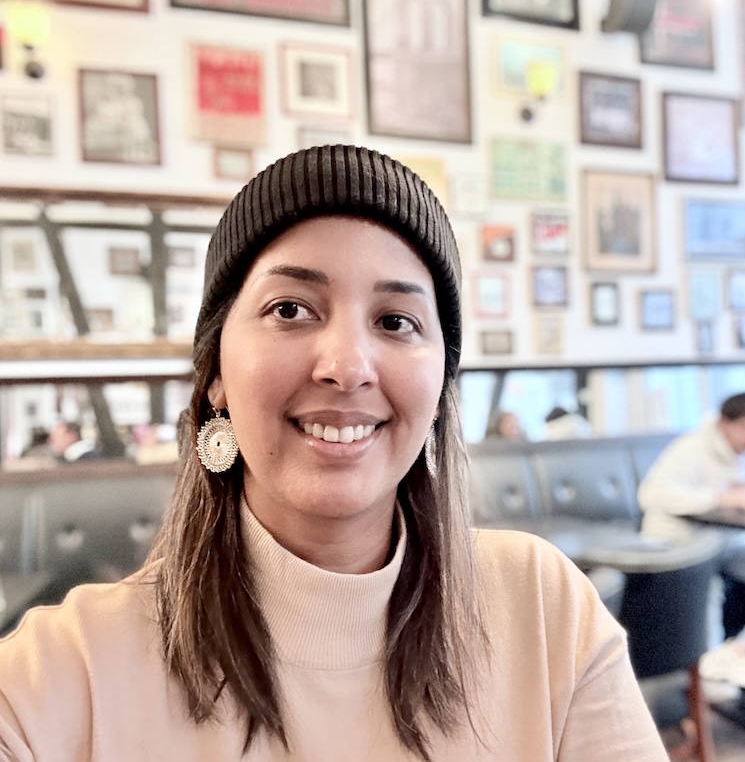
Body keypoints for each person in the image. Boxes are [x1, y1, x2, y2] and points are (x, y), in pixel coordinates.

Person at [0, 146, 669, 760]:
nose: (348, 366)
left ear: (439, 388)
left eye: (396, 321)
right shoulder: (68, 671)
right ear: (216, 375)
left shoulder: (543, 608)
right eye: (291, 309)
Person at [638, 392, 745, 637]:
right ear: (725, 424)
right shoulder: (691, 448)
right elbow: (652, 494)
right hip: (680, 542)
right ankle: (707, 669)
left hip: (727, 543)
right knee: (708, 589)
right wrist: (721, 497)